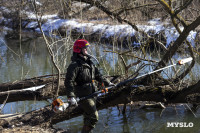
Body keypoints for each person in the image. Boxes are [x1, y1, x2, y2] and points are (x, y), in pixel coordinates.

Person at [64, 39, 114, 133]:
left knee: (88, 116)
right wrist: (71, 97)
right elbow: (68, 81)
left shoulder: (89, 62)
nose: (87, 51)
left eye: (87, 49)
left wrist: (108, 83)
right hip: (83, 95)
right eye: (85, 49)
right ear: (79, 50)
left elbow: (98, 75)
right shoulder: (74, 65)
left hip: (92, 93)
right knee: (94, 117)